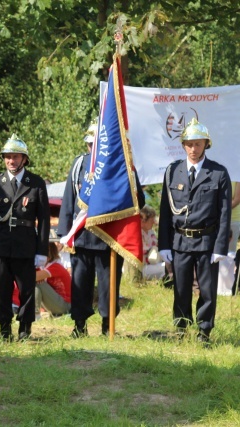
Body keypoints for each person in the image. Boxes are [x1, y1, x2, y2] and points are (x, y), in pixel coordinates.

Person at [58, 120, 144, 337]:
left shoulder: (122, 167)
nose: (91, 149)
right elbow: (69, 200)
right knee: (80, 285)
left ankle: (108, 326)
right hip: (83, 235)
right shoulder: (79, 164)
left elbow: (139, 201)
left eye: (95, 145)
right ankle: (79, 326)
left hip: (110, 237)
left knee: (108, 287)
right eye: (89, 145)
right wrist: (64, 233)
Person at [158, 118, 231, 343]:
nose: (193, 148)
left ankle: (203, 332)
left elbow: (224, 213)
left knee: (207, 292)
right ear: (183, 145)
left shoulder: (218, 173)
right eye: (189, 144)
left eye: (198, 144)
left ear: (205, 144)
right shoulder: (173, 172)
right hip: (180, 242)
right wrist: (163, 245)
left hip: (207, 241)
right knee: (181, 289)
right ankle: (181, 329)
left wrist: (220, 247)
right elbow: (165, 212)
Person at [0, 134, 50, 341]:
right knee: (2, 291)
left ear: (24, 159)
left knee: (27, 290)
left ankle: (25, 329)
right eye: (7, 157)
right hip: (1, 245)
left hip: (26, 244)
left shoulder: (36, 183)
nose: (11, 161)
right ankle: (4, 330)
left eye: (15, 157)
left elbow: (44, 220)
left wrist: (42, 251)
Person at [35, 242, 71, 316]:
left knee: (37, 283)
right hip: (55, 302)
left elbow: (32, 277)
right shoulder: (42, 267)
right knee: (36, 282)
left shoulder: (56, 266)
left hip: (64, 305)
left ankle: (34, 313)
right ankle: (36, 312)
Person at [140, 205, 164, 280]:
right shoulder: (138, 233)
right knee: (165, 268)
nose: (153, 222)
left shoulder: (150, 232)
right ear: (143, 221)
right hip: (142, 267)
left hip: (153, 264)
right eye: (151, 220)